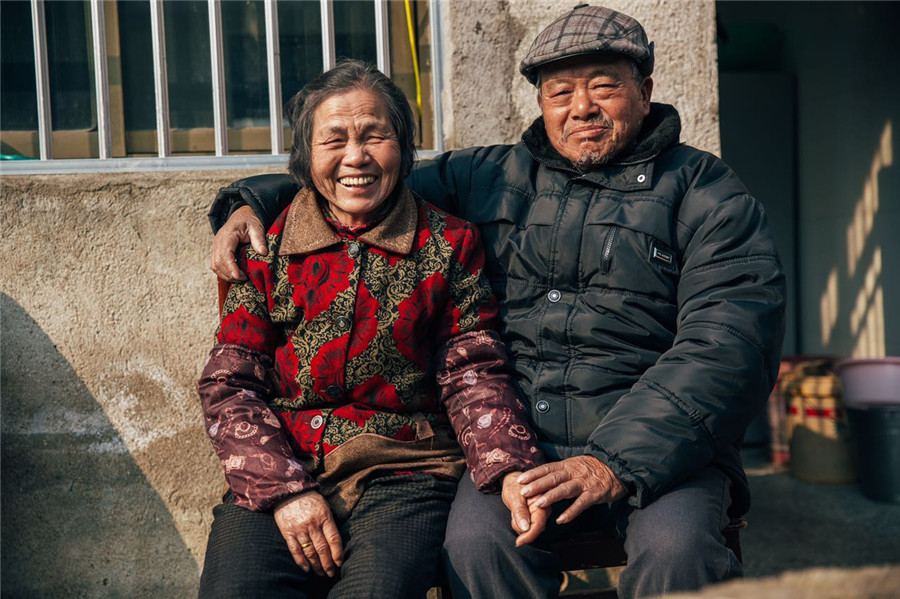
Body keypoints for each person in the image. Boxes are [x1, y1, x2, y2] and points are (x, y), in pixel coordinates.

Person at [207, 5, 786, 598]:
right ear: (540, 101)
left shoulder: (709, 195)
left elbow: (728, 351)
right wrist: (248, 203)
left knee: (677, 554)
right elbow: (361, 181)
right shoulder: (489, 176)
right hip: (518, 444)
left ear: (645, 92)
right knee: (475, 548)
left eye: (604, 87)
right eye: (560, 92)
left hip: (660, 450)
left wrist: (610, 464)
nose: (581, 107)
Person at [196, 59, 544, 599]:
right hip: (284, 465)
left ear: (403, 149)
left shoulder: (448, 244)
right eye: (333, 140)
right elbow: (229, 384)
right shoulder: (267, 246)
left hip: (406, 472)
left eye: (374, 135)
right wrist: (285, 491)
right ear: (305, 158)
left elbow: (472, 370)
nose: (355, 157)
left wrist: (509, 466)